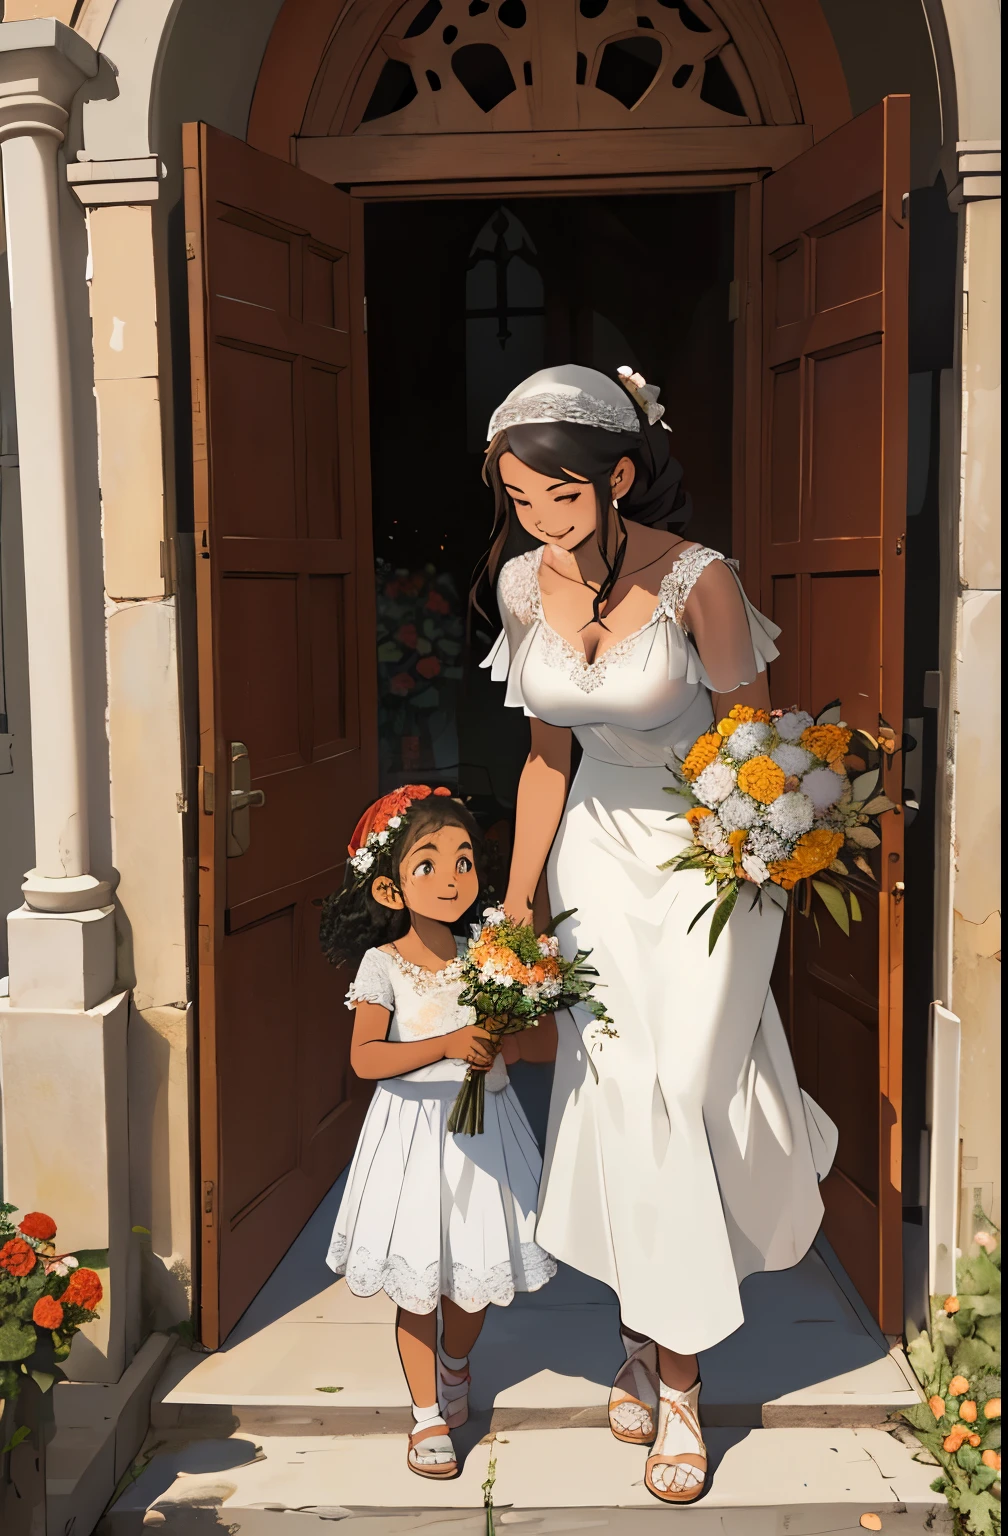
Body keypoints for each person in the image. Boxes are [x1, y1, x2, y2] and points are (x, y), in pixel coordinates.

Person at [475, 365, 837, 1504]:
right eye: (521, 501)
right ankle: (666, 1364)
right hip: (592, 859)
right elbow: (546, 759)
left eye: (562, 498)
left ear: (620, 475)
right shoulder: (523, 587)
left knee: (682, 1091)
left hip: (710, 860)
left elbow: (758, 746)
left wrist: (750, 848)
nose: (541, 522)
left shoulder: (701, 582)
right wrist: (521, 898)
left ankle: (663, 1351)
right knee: (622, 1096)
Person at [319, 784, 556, 1480]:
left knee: (471, 1287)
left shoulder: (490, 957)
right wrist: (449, 1044)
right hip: (413, 1139)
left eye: (464, 862)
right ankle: (425, 1416)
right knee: (418, 1285)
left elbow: (534, 1048)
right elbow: (366, 1058)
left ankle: (457, 1362)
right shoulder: (383, 966)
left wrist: (510, 1029)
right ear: (391, 891)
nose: (451, 879)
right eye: (428, 866)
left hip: (484, 1137)